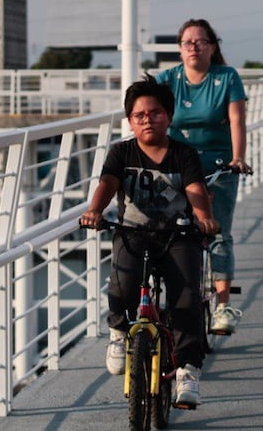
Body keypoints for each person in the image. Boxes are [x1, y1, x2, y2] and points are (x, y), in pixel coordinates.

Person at [80, 75, 218, 408]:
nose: (148, 120)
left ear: (168, 116)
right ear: (130, 120)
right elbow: (108, 183)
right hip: (133, 234)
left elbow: (196, 190)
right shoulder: (121, 152)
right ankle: (118, 332)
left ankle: (187, 370)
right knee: (122, 285)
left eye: (155, 113)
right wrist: (94, 210)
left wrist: (204, 219)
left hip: (178, 234)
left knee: (186, 298)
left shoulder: (183, 154)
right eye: (139, 115)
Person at [156, 18, 252, 336]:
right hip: (178, 166)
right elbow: (150, 117)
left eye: (200, 42)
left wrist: (238, 158)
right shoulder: (168, 80)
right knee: (170, 230)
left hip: (218, 165)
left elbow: (237, 119)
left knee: (218, 232)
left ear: (212, 46)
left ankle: (223, 306)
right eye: (187, 43)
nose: (194, 47)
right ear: (180, 50)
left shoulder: (226, 78)